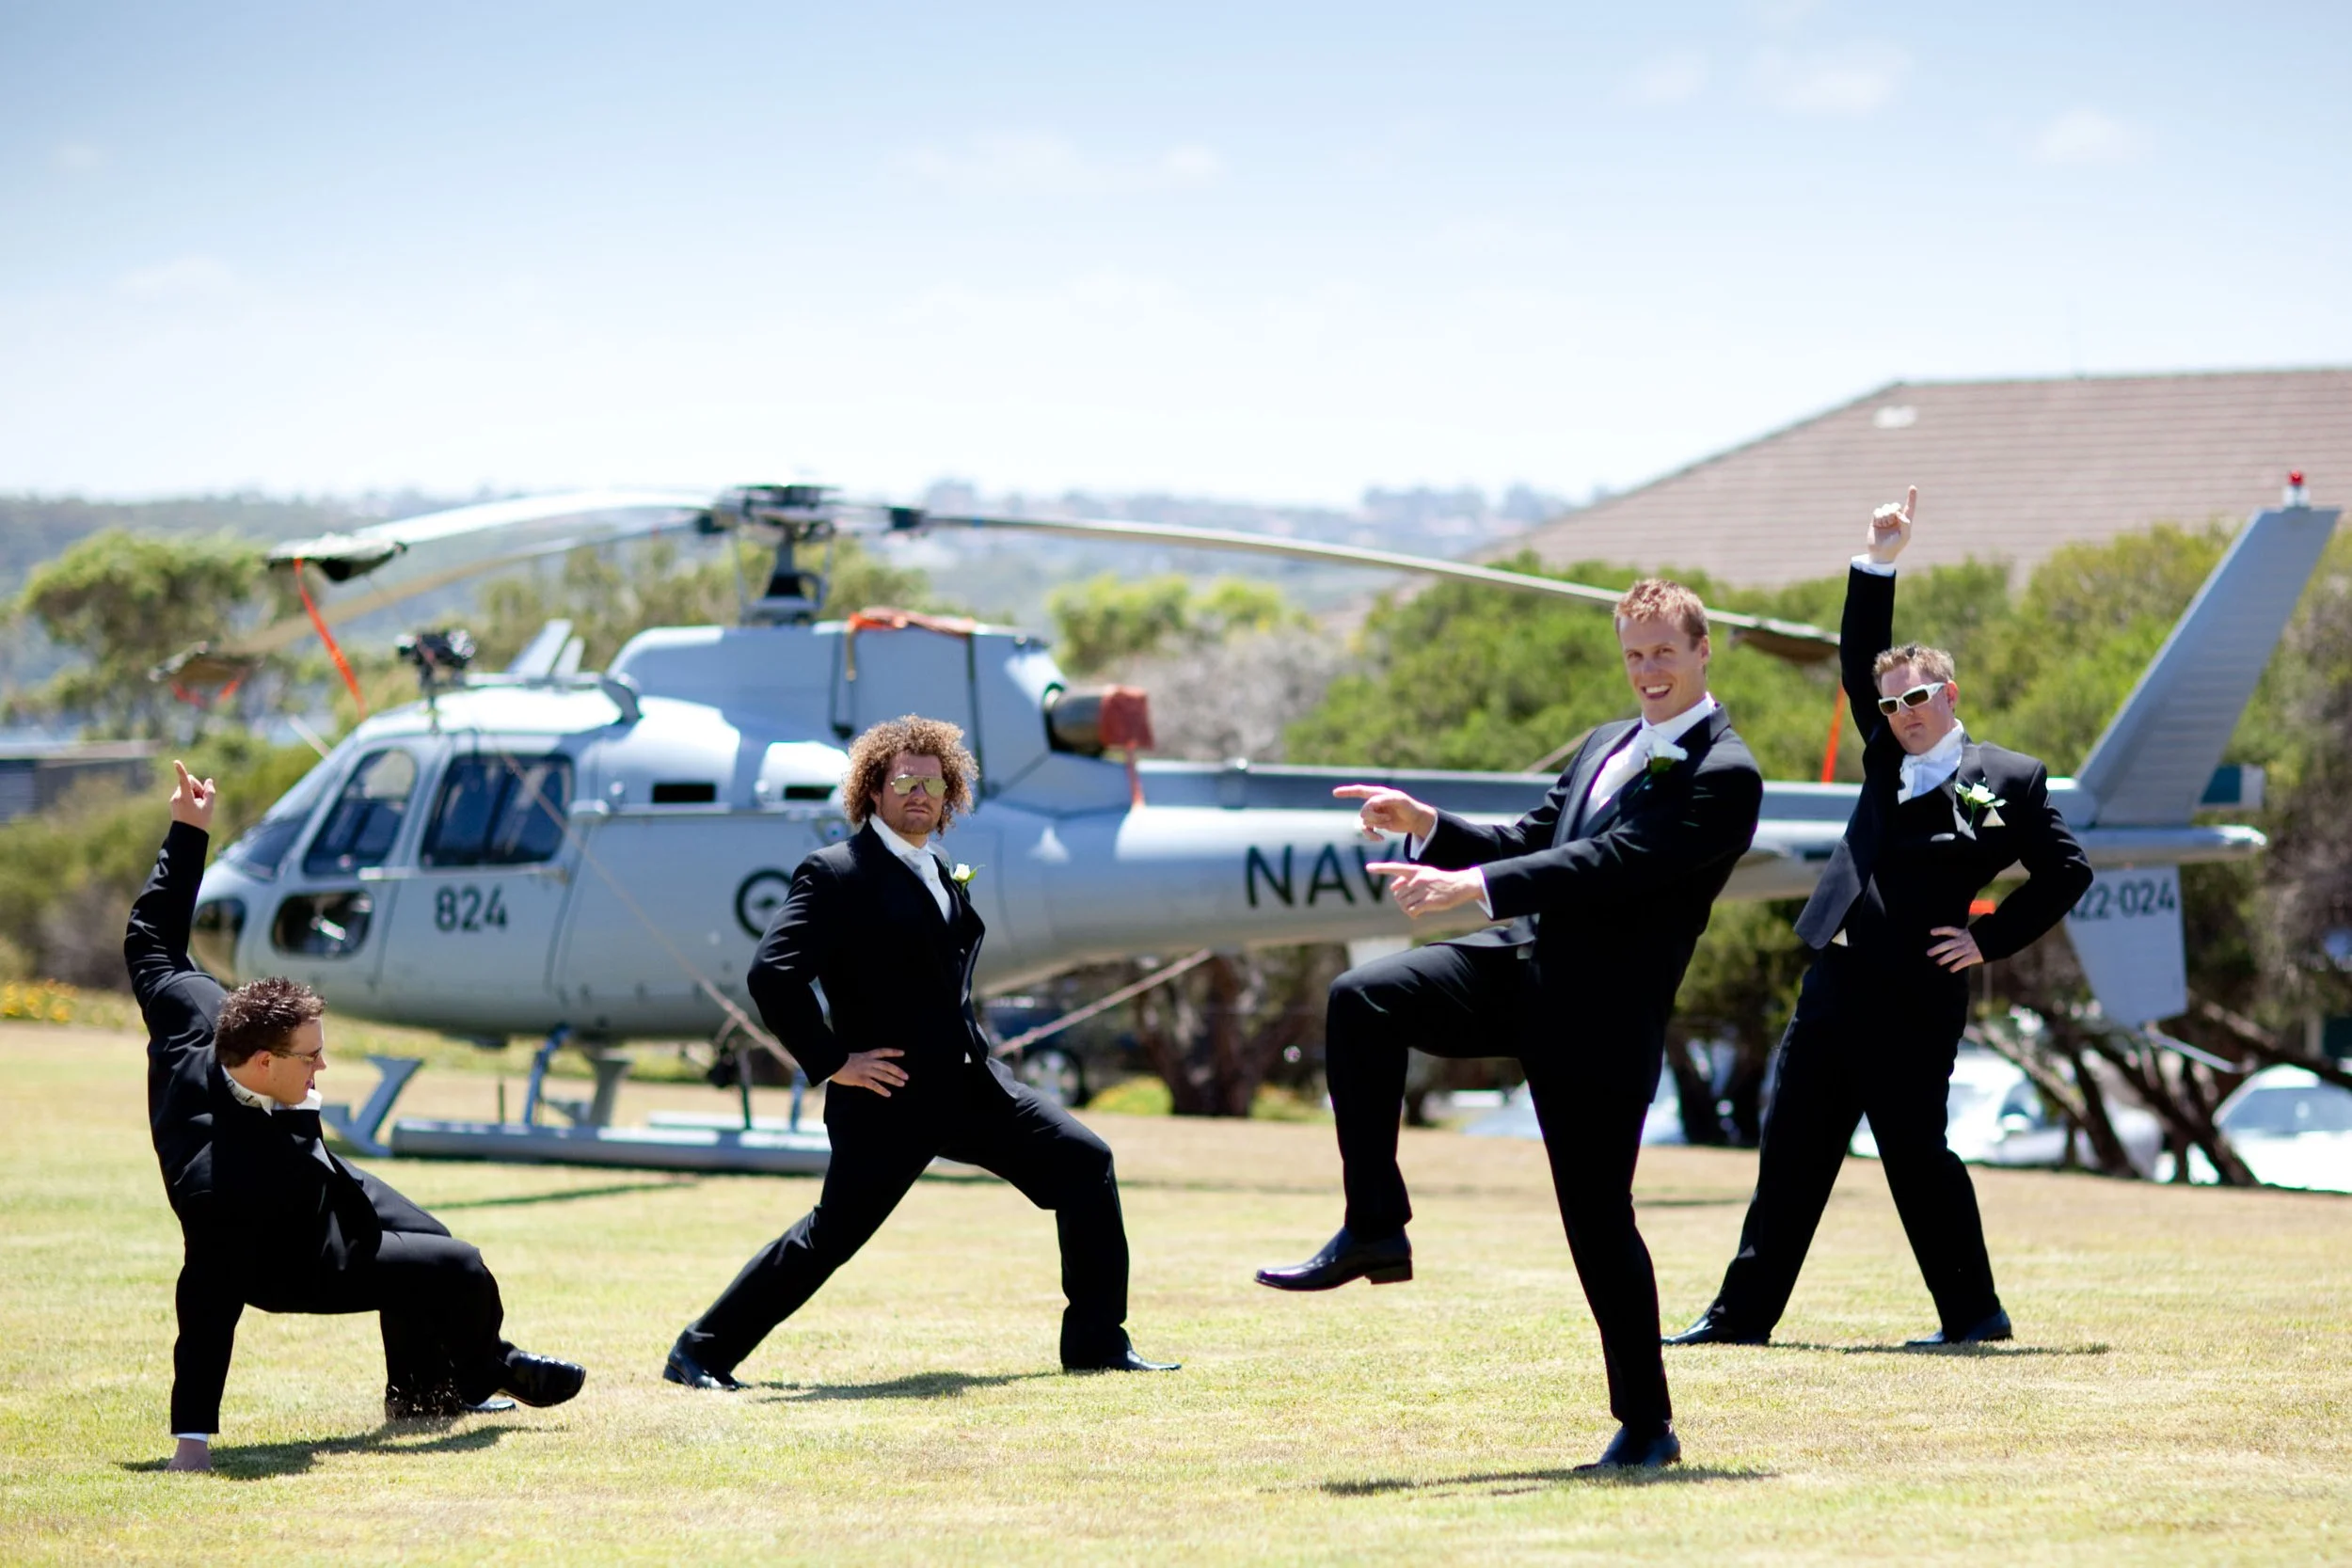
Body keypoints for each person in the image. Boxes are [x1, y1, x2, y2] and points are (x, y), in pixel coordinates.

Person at [1257, 580, 1764, 1471]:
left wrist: (1472, 892)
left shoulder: (1726, 774)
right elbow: (1536, 833)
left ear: (1702, 651)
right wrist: (1432, 827)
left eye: (1664, 653)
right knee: (1361, 998)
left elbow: (1613, 862)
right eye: (1634, 653)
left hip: (1603, 1020)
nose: (1647, 670)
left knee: (1598, 1221)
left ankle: (1647, 1426)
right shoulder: (1611, 742)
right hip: (1523, 972)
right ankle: (1375, 1225)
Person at [1666, 488, 2092, 1350]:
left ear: (1949, 691)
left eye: (1919, 696)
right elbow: (1859, 650)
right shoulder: (1880, 752)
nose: (1904, 712)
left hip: (1918, 992)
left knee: (1914, 1155)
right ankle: (1739, 1318)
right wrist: (1878, 560)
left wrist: (1987, 939)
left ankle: (1974, 1314)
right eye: (1893, 703)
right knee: (1790, 1152)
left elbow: (2067, 871)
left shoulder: (2007, 777)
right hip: (1837, 976)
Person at [664, 715, 1176, 1388]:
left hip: (971, 1087)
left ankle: (1096, 1343)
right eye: (903, 779)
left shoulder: (939, 869)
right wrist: (833, 1061)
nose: (919, 793)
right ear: (873, 789)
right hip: (888, 1097)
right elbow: (772, 973)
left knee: (1085, 1164)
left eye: (934, 783)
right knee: (830, 1238)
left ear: (951, 794)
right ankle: (699, 1353)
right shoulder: (834, 872)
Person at [132, 763, 584, 1474]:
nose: (322, 1066)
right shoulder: (216, 1184)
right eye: (309, 1056)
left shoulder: (196, 1010)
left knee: (430, 1238)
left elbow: (152, 937)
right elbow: (206, 1304)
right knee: (457, 1267)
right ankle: (488, 1367)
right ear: (259, 1062)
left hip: (319, 1174)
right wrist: (193, 1441)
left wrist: (188, 832)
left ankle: (421, 1395)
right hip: (290, 1256)